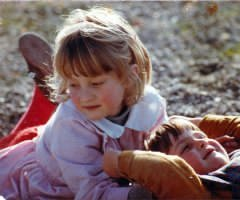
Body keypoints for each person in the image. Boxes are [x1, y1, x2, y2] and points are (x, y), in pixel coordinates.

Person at [0, 6, 170, 199]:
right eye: (74, 84)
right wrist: (136, 195)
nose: (84, 96)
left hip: (55, 139)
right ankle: (49, 93)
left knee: (44, 128)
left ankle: (51, 92)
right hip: (47, 185)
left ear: (131, 75)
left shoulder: (149, 105)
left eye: (96, 83)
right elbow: (91, 192)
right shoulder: (71, 125)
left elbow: (168, 150)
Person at [103, 114, 240, 199]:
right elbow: (163, 169)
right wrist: (117, 162)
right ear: (179, 166)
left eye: (201, 137)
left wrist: (191, 122)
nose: (202, 143)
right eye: (186, 147)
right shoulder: (199, 190)